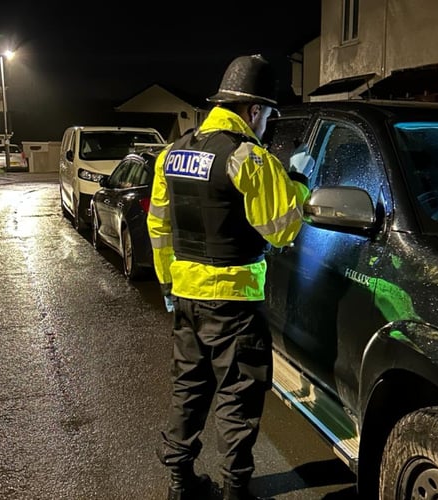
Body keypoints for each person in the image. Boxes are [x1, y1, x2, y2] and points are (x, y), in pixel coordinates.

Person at [147, 54, 310, 500]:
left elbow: (158, 226)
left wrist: (167, 282)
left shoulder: (173, 153)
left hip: (185, 298)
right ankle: (236, 491)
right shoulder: (247, 158)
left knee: (189, 390)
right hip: (234, 304)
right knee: (238, 400)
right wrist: (296, 181)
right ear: (253, 111)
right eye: (268, 115)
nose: (267, 125)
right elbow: (283, 226)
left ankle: (180, 484)